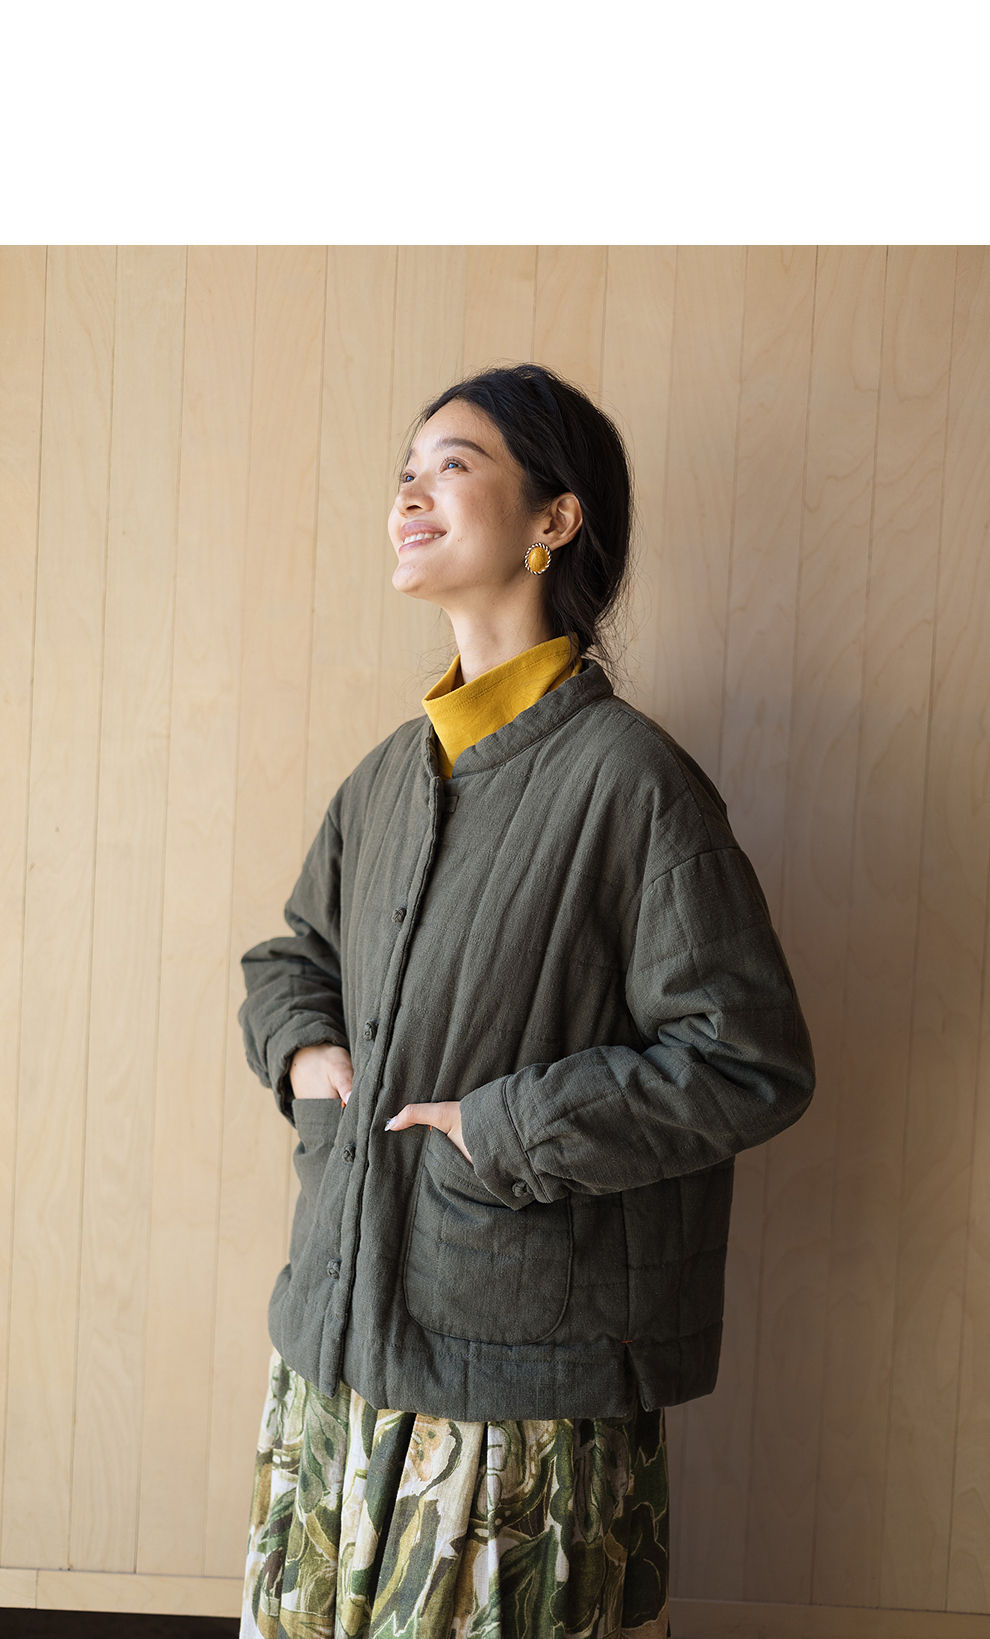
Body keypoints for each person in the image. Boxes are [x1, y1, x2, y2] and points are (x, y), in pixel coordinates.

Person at [235, 362, 815, 1639]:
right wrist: (308, 1056)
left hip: (516, 1388)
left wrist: (504, 1130)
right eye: (405, 471)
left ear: (555, 519)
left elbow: (749, 1058)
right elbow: (292, 959)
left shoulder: (634, 783)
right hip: (334, 1349)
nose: (409, 493)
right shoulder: (388, 778)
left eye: (452, 465)